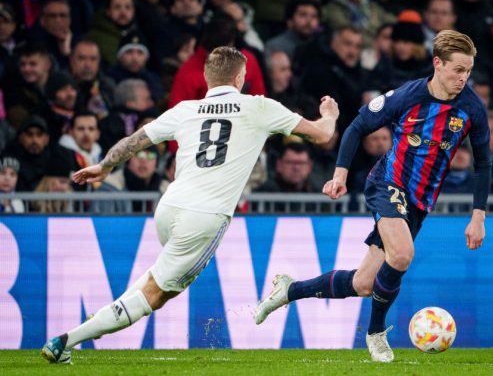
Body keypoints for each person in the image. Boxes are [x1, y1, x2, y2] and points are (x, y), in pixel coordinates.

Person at [41, 46, 339, 365]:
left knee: (165, 290)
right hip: (204, 217)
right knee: (152, 293)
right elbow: (322, 135)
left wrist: (105, 166)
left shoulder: (186, 109)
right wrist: (330, 114)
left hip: (169, 207)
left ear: (206, 78)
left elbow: (134, 141)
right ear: (241, 77)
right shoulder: (258, 107)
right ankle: (67, 340)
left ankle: (86, 330)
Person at [254, 30, 491, 363]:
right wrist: (340, 174)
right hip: (387, 185)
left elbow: (484, 163)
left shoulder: (471, 108)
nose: (463, 78)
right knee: (403, 254)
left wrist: (478, 215)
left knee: (365, 283)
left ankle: (289, 290)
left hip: (419, 204)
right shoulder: (407, 97)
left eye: (468, 71)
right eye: (457, 70)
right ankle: (376, 333)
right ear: (438, 64)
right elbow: (356, 127)